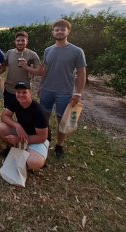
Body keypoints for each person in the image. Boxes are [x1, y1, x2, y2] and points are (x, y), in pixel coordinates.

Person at [36, 19, 86, 159]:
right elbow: (45, 70)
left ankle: (60, 145)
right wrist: (40, 86)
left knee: (61, 120)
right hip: (47, 90)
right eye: (57, 29)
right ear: (53, 32)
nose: (59, 31)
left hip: (64, 92)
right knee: (43, 117)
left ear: (68, 31)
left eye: (62, 29)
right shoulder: (48, 50)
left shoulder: (77, 51)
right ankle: (45, 140)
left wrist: (78, 93)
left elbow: (82, 73)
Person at [0, 81, 49, 170]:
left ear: (30, 93)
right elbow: (4, 116)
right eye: (18, 92)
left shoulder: (39, 111)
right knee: (0, 128)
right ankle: (11, 149)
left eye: (24, 92)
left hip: (36, 139)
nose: (21, 95)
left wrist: (19, 140)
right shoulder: (15, 100)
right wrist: (17, 125)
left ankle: (23, 156)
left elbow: (42, 137)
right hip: (22, 131)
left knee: (35, 162)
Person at [0, 31, 41, 107]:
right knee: (7, 113)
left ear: (27, 41)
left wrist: (26, 67)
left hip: (24, 91)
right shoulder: (9, 53)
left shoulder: (32, 55)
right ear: (15, 42)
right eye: (18, 41)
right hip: (9, 89)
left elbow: (40, 72)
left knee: (24, 115)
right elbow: (3, 67)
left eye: (23, 40)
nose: (20, 43)